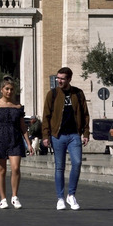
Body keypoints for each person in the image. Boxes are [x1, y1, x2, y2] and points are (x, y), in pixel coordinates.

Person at [43, 66, 90, 210]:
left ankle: (71, 195)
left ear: (69, 79)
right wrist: (45, 135)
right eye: (58, 78)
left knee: (77, 162)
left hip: (74, 135)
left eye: (62, 79)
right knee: (59, 167)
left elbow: (85, 114)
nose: (59, 81)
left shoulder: (78, 93)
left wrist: (86, 133)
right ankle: (60, 198)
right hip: (58, 136)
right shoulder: (52, 94)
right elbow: (46, 116)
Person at [0, 77, 32, 209]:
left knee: (16, 168)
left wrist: (28, 143)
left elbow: (23, 127)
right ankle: (3, 198)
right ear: (2, 90)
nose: (9, 91)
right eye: (7, 89)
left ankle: (15, 196)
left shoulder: (18, 106)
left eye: (11, 89)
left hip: (15, 139)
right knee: (2, 170)